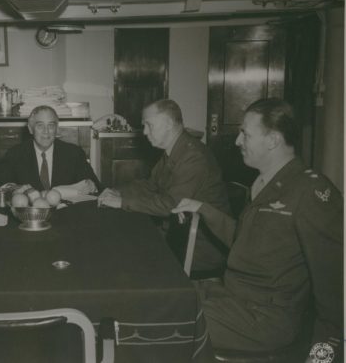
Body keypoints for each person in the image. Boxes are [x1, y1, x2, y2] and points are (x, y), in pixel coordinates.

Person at [172, 98, 343, 356]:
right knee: (162, 295)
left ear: (273, 140)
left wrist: (323, 356)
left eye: (245, 134)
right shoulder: (264, 182)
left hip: (264, 319)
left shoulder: (311, 191)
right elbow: (246, 242)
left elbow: (335, 287)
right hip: (233, 298)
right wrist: (203, 209)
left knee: (164, 319)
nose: (238, 141)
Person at [98, 99, 230, 273]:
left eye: (149, 125)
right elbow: (151, 185)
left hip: (197, 244)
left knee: (122, 252)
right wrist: (116, 191)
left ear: (168, 124)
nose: (144, 132)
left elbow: (171, 204)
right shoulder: (175, 150)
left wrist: (122, 202)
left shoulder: (193, 157)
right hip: (177, 232)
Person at [0, 105, 101, 194]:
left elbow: (96, 186)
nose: (46, 131)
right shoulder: (15, 154)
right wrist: (14, 188)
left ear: (57, 129)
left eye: (51, 125)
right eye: (40, 125)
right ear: (31, 129)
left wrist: (91, 186)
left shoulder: (74, 154)